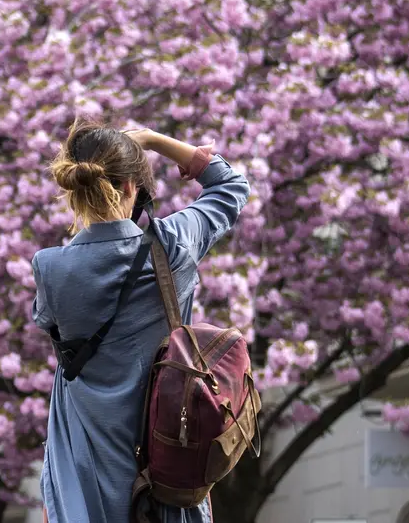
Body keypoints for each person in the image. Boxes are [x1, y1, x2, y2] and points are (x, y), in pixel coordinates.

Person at [31, 118, 251, 523]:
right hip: (163, 472)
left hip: (85, 482)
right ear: (133, 186)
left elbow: (48, 322)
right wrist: (153, 139)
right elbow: (232, 185)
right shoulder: (173, 247)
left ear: (73, 192)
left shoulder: (51, 269)